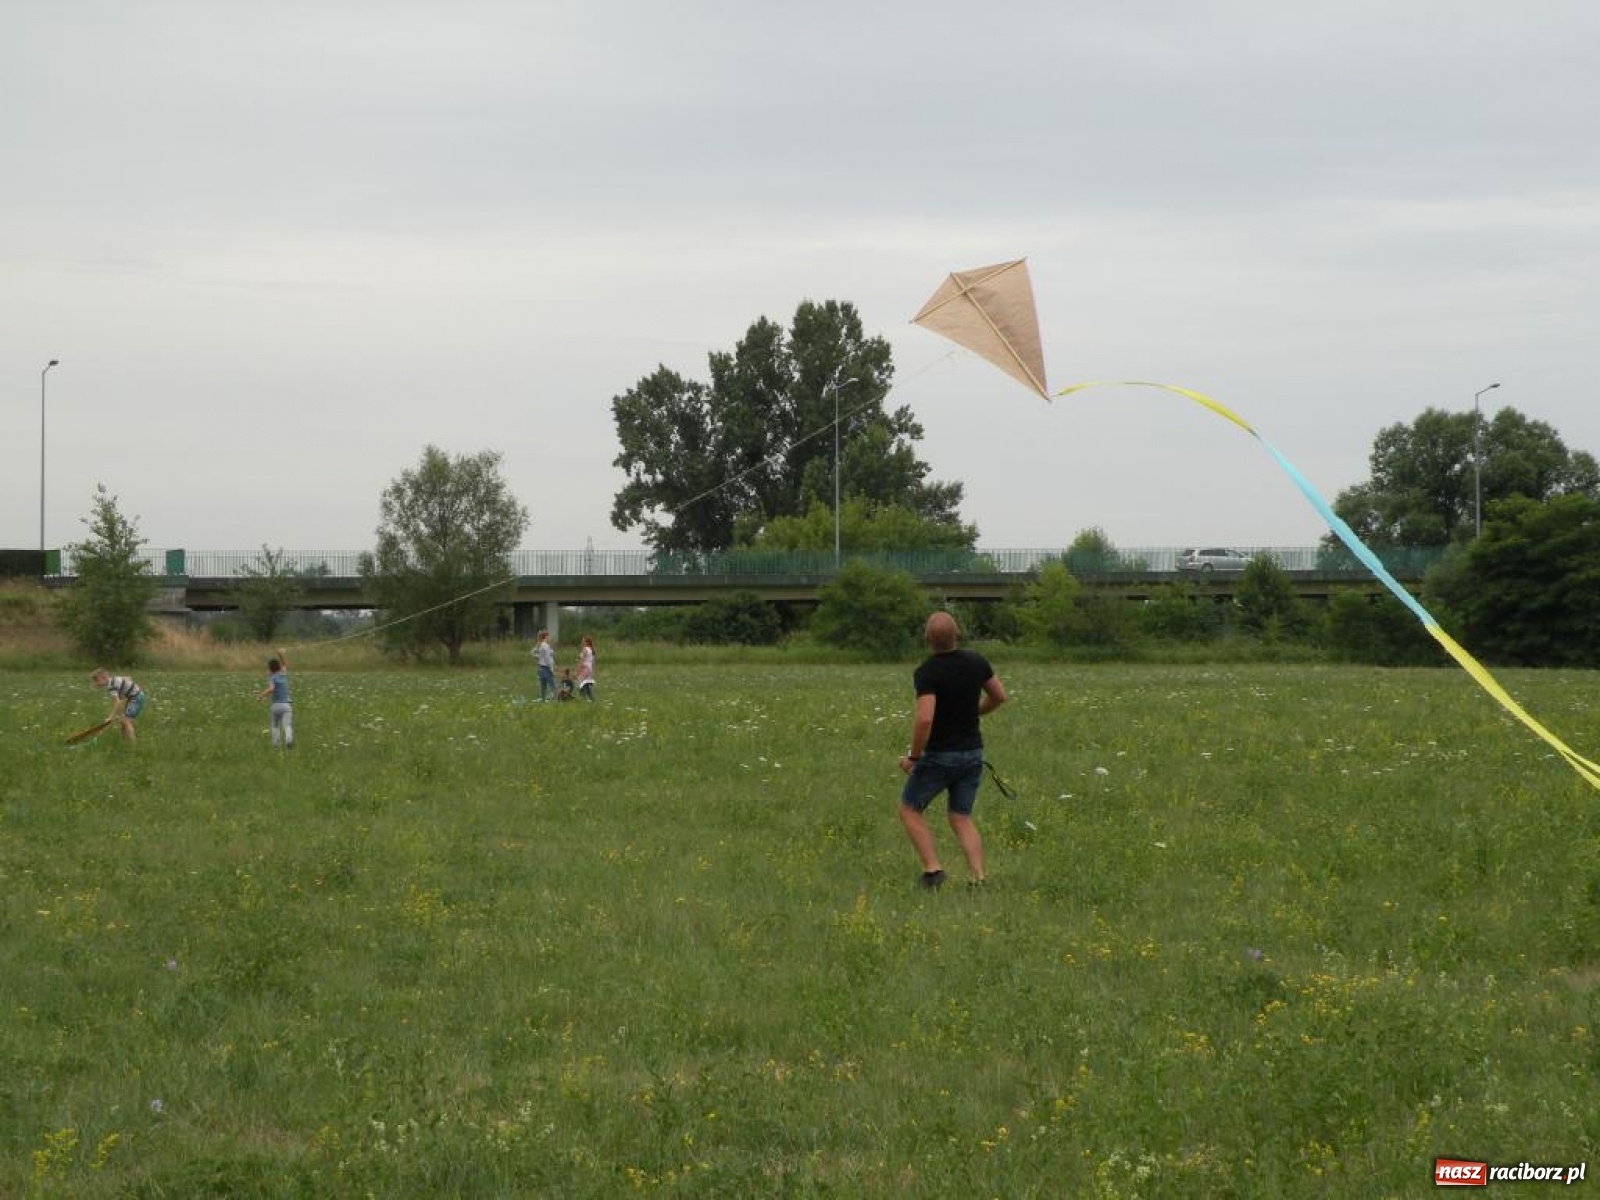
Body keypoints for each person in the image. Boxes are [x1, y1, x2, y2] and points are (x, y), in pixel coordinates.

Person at [897, 611, 1007, 889]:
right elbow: (999, 696)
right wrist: (976, 714)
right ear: (957, 634)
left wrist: (913, 758)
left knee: (910, 809)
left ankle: (933, 871)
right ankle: (978, 878)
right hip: (972, 754)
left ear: (926, 640)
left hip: (941, 756)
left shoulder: (927, 671)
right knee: (960, 816)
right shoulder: (976, 661)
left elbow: (924, 719)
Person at [90, 667, 147, 743]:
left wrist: (110, 717)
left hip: (136, 698)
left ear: (104, 678)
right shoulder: (113, 679)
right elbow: (128, 678)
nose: (96, 683)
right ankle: (125, 741)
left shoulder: (112, 686)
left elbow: (118, 702)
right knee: (123, 721)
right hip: (134, 697)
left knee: (126, 721)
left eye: (97, 681)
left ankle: (133, 744)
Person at [256, 647, 294, 749]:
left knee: (275, 726)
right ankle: (288, 738)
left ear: (270, 669)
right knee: (287, 726)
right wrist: (280, 654)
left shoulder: (271, 677)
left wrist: (261, 695)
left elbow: (272, 688)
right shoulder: (283, 674)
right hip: (286, 706)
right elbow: (284, 664)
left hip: (275, 706)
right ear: (279, 667)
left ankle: (276, 746)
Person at [533, 630, 557, 702]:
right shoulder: (546, 646)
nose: (550, 638)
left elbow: (535, 654)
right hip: (546, 668)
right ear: (546, 636)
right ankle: (557, 700)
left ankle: (543, 700)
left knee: (543, 686)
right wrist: (552, 669)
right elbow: (547, 659)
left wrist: (538, 658)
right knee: (552, 685)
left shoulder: (541, 645)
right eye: (549, 636)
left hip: (540, 668)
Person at [575, 635, 596, 701]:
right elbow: (592, 661)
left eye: (583, 641)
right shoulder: (591, 649)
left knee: (580, 683)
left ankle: (584, 699)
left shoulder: (585, 649)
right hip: (589, 668)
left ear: (586, 642)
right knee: (586, 685)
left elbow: (582, 660)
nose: (582, 642)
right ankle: (592, 700)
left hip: (585, 668)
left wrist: (578, 670)